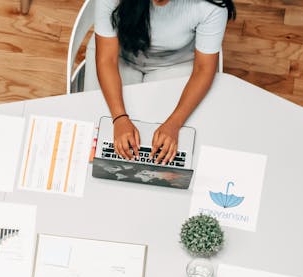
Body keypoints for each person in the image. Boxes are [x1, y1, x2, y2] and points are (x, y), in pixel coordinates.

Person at [92, 0, 236, 164]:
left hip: (175, 63)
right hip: (120, 57)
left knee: (176, 142)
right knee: (98, 128)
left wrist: (174, 123)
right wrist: (119, 117)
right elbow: (106, 60)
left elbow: (204, 69)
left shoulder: (211, 5)